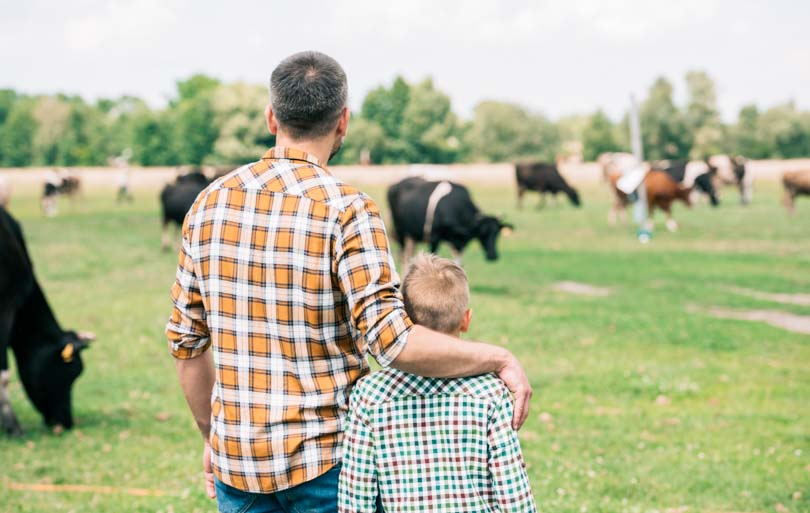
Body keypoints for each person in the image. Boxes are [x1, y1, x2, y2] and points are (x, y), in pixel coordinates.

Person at [166, 51, 532, 513]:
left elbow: (186, 343)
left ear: (271, 116)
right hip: (330, 468)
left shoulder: (207, 204)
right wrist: (498, 358)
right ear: (343, 121)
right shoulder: (349, 211)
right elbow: (392, 342)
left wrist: (211, 435)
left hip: (236, 465)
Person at [339, 253, 537, 512]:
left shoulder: (370, 395)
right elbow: (514, 494)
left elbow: (356, 494)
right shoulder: (491, 393)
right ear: (466, 320)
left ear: (404, 318)